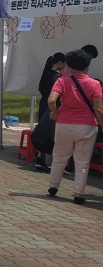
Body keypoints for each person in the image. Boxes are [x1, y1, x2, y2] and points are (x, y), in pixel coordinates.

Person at [47, 49, 103, 205]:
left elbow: (51, 100)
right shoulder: (95, 84)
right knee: (82, 161)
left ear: (69, 66)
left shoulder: (61, 81)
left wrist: (55, 113)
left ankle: (53, 186)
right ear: (87, 66)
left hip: (64, 123)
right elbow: (99, 109)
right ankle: (78, 193)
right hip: (87, 126)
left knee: (59, 157)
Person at [38, 52, 68, 121]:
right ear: (60, 62)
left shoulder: (46, 73)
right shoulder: (56, 76)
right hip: (53, 103)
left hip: (43, 101)